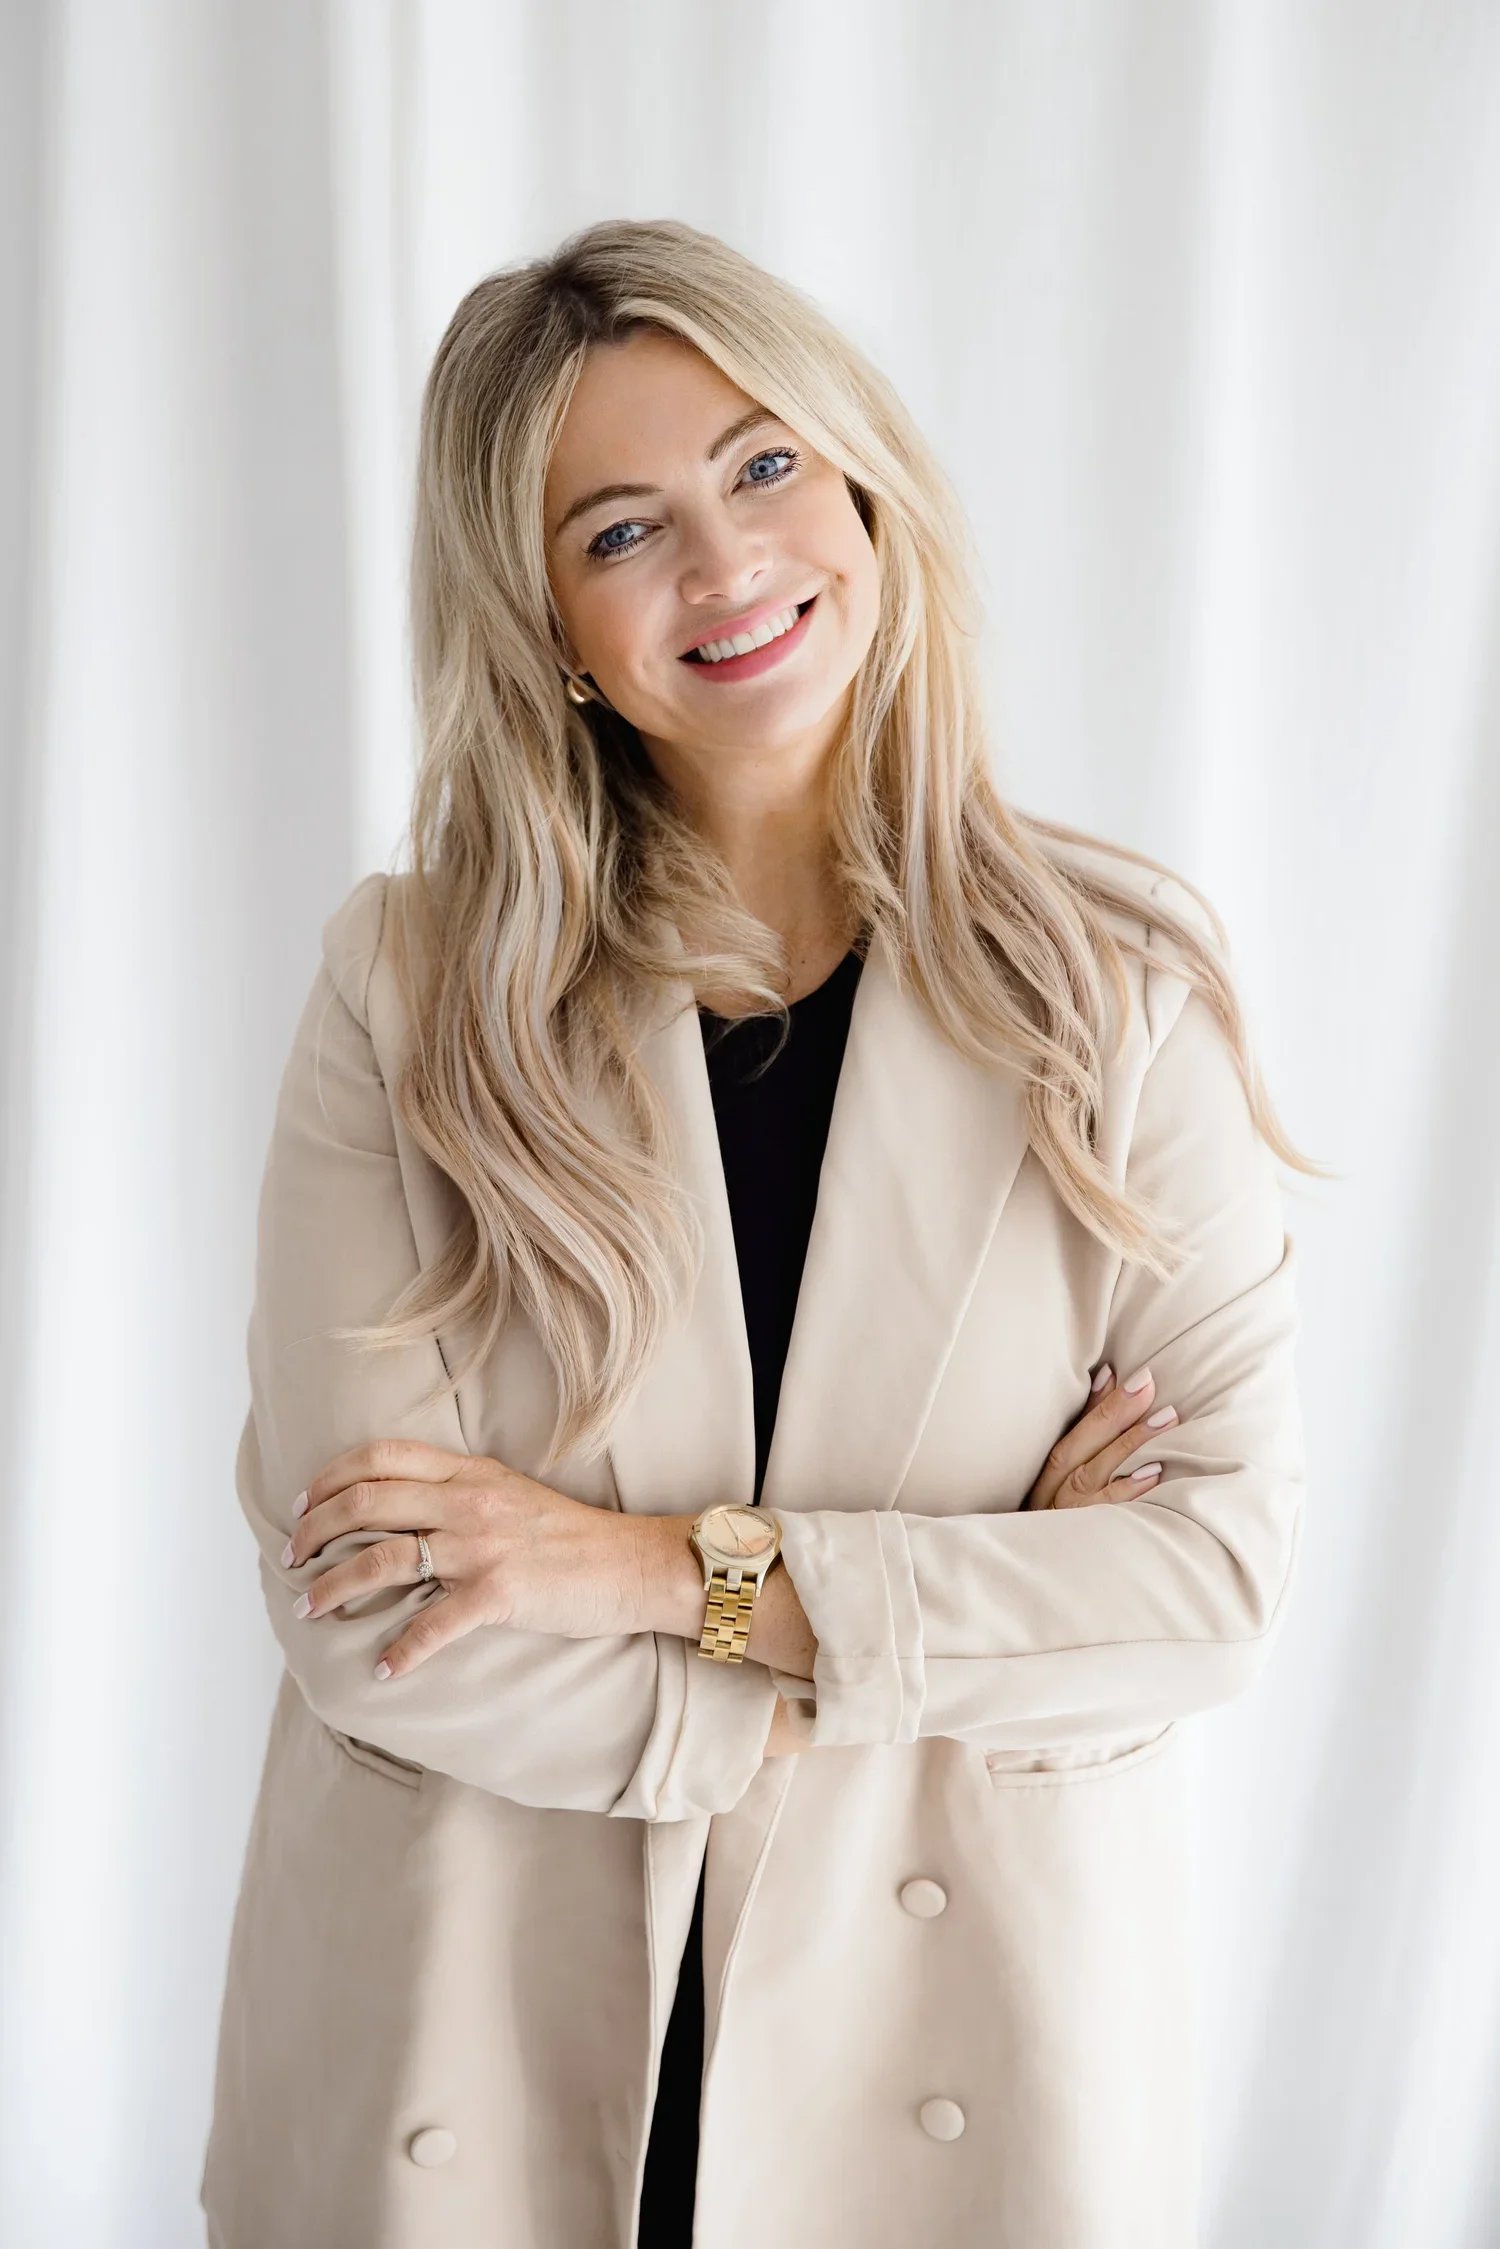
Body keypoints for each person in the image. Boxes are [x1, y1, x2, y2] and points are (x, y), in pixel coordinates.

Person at [200, 217, 1318, 2249]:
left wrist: (638, 1572)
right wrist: (957, 1615)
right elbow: (379, 1620)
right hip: (471, 2052)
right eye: (618, 531)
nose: (724, 567)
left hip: (959, 2055)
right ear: (542, 617)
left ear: (865, 483)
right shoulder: (412, 988)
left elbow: (1211, 1584)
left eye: (764, 466)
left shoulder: (1119, 987)